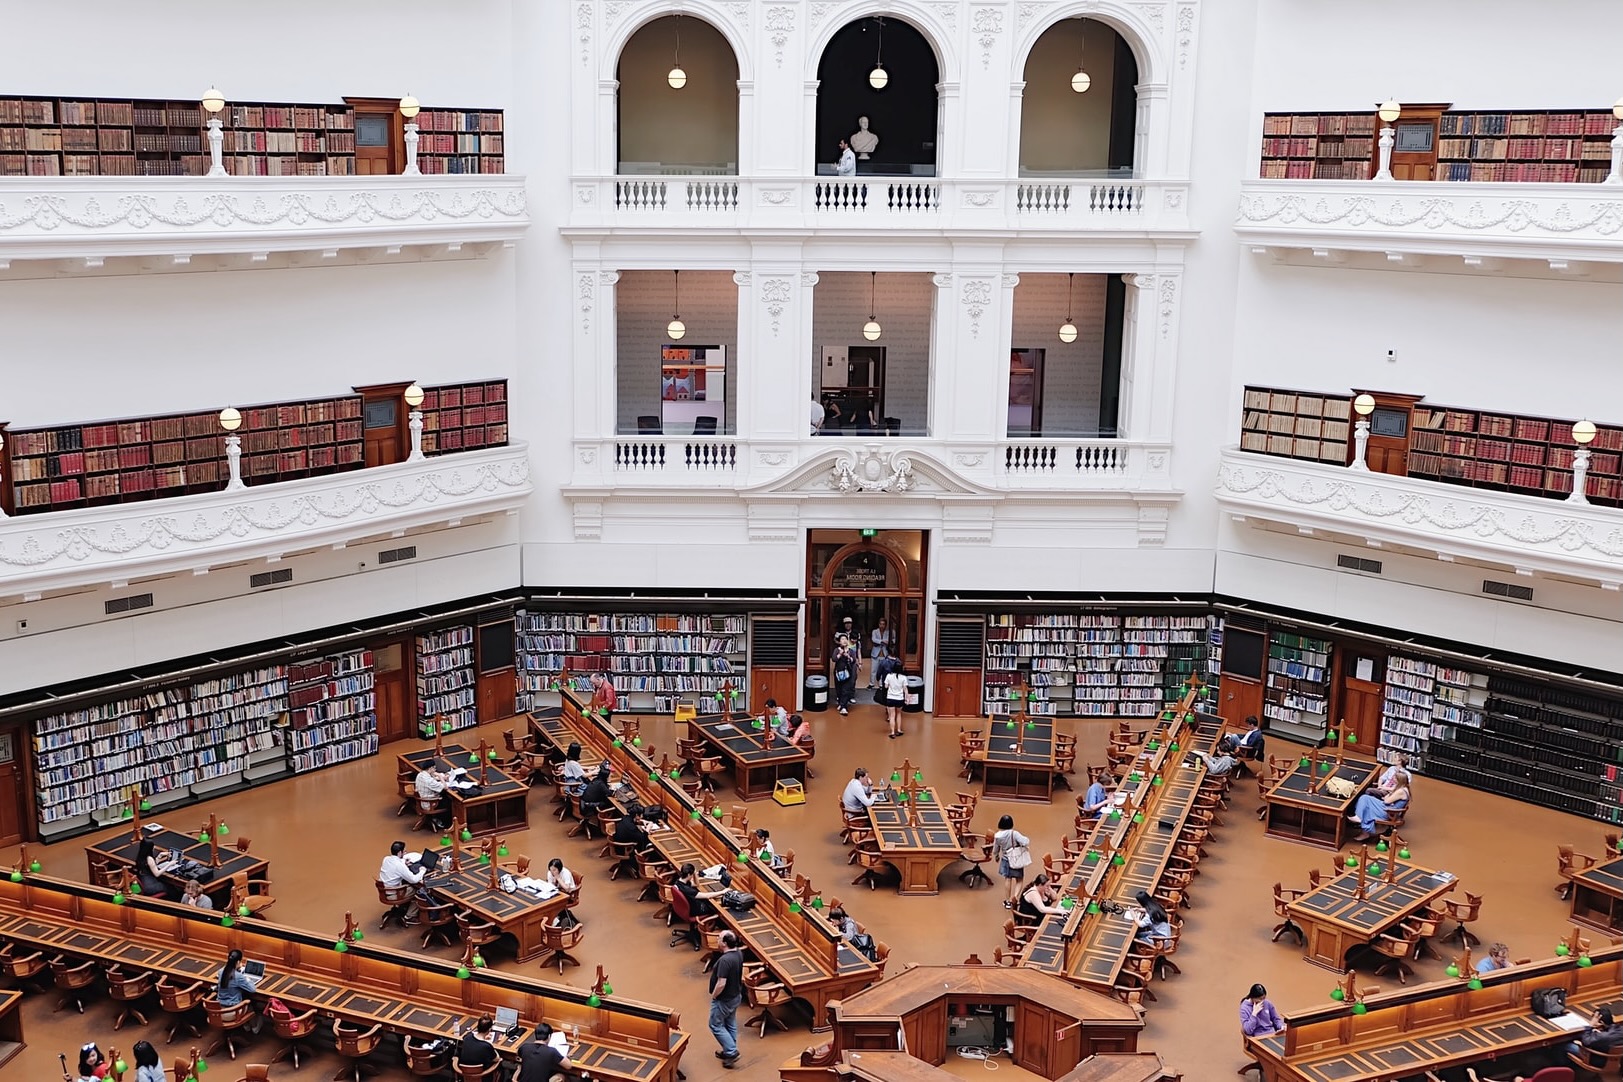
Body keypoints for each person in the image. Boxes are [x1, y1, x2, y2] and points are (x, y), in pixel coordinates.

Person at [709, 929, 745, 1068]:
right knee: (730, 1023)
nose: (717, 939)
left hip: (724, 999)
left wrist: (714, 996)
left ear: (724, 943)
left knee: (715, 1025)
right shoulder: (738, 953)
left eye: (719, 938)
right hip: (736, 995)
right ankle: (729, 1048)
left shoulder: (725, 960)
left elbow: (721, 983)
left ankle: (731, 1051)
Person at [379, 840, 430, 922]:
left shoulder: (386, 859)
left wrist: (404, 863)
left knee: (407, 884)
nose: (406, 852)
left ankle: (404, 907)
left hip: (385, 891)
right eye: (404, 851)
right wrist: (422, 871)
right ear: (399, 852)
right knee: (420, 891)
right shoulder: (399, 866)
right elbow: (414, 880)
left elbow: (395, 866)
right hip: (394, 893)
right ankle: (409, 916)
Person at [1348, 773, 1409, 841]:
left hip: (1388, 812)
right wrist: (1388, 796)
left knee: (1365, 800)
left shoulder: (1400, 791)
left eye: (1395, 778)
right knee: (1365, 799)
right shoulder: (1403, 788)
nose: (1393, 779)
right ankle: (1363, 829)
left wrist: (1388, 796)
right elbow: (1387, 797)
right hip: (1388, 808)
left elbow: (1386, 800)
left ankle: (1359, 818)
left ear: (1399, 780)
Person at [216, 949, 263, 1032]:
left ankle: (246, 1026)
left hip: (218, 1010)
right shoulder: (238, 977)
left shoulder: (221, 972)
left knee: (244, 998)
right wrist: (246, 978)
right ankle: (254, 1028)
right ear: (238, 962)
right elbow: (252, 990)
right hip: (231, 1012)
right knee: (250, 1005)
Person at [992, 815, 1031, 910]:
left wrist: (996, 855)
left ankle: (1008, 901)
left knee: (1008, 879)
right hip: (1016, 858)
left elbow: (996, 848)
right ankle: (1016, 897)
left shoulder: (997, 836)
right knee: (1019, 879)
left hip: (1006, 859)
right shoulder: (1014, 833)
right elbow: (1025, 842)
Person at [414, 765, 453, 830]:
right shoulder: (429, 781)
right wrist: (441, 777)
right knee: (450, 801)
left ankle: (437, 818)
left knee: (443, 796)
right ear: (430, 768)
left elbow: (432, 780)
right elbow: (445, 787)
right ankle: (445, 824)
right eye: (434, 768)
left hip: (422, 800)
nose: (435, 770)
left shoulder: (420, 775)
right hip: (430, 804)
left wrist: (439, 776)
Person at [832, 635, 859, 715]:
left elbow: (853, 660)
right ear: (839, 642)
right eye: (842, 639)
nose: (844, 641)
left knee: (845, 690)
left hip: (848, 673)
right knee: (839, 689)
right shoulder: (837, 650)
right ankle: (841, 703)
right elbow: (834, 659)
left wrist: (848, 656)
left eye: (845, 639)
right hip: (839, 673)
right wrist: (840, 654)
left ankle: (844, 707)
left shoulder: (851, 651)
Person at [882, 665, 907, 739]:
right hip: (899, 698)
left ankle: (892, 732)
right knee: (899, 714)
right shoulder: (903, 678)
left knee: (892, 716)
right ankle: (899, 730)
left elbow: (886, 686)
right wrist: (907, 698)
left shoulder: (889, 676)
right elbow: (905, 689)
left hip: (890, 698)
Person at [868, 619, 894, 689]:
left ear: (885, 625)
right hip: (876, 653)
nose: (882, 626)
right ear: (878, 624)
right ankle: (871, 683)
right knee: (873, 670)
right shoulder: (875, 631)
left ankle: (881, 684)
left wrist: (888, 642)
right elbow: (874, 639)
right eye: (880, 624)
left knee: (883, 670)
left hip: (884, 653)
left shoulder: (888, 632)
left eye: (883, 624)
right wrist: (883, 641)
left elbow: (892, 640)